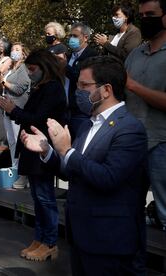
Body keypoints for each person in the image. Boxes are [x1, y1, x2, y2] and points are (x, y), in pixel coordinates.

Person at [22, 55, 148, 275]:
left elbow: (108, 178)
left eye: (84, 85)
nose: (77, 90)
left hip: (109, 242)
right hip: (81, 236)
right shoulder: (88, 124)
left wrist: (66, 151)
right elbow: (72, 170)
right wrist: (48, 151)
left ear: (106, 89)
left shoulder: (130, 129)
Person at [0, 49, 67, 261]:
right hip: (32, 148)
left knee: (45, 198)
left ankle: (50, 242)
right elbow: (30, 116)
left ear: (44, 68)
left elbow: (38, 117)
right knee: (38, 198)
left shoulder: (53, 89)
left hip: (43, 148)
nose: (30, 73)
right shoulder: (40, 88)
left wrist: (13, 110)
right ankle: (40, 238)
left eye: (33, 69)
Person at [125, 0, 166, 231]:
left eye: (151, 14)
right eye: (141, 15)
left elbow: (131, 86)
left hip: (161, 143)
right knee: (129, 210)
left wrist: (134, 86)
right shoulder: (136, 53)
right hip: (133, 142)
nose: (145, 19)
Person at [0, 42, 31, 189]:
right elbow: (6, 87)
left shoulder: (24, 68)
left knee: (19, 142)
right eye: (13, 49)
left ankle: (23, 175)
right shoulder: (11, 68)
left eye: (17, 50)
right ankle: (15, 170)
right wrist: (0, 82)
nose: (14, 52)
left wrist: (5, 82)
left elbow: (20, 89)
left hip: (18, 108)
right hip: (7, 108)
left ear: (23, 53)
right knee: (11, 142)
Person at [65, 22, 98, 138]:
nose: (71, 39)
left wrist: (63, 65)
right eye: (70, 36)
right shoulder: (68, 56)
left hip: (80, 112)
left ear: (85, 38)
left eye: (75, 36)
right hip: (65, 110)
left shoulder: (92, 56)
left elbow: (81, 79)